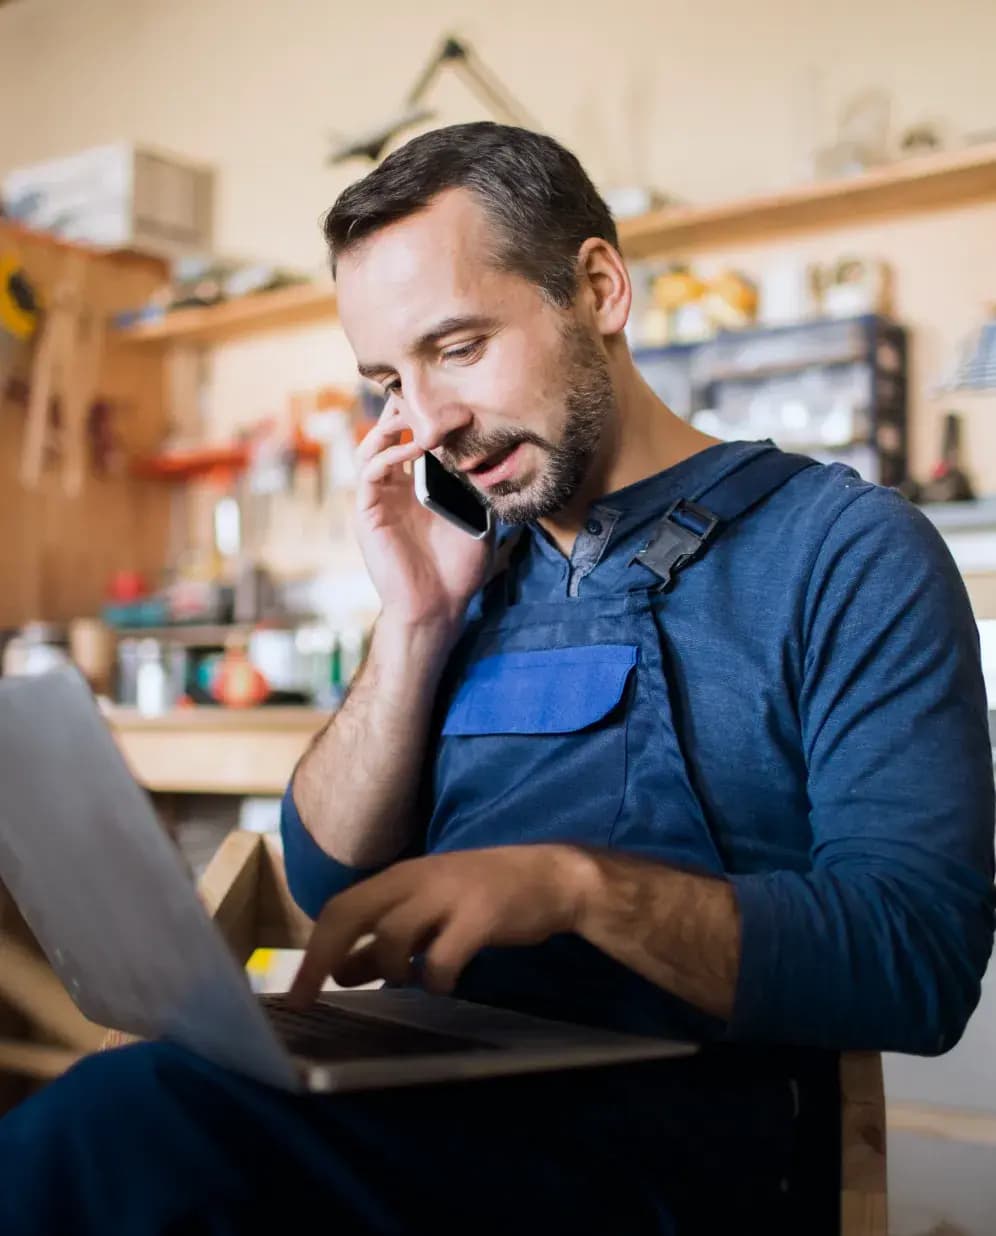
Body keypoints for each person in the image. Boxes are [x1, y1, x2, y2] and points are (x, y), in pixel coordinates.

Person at [1, 123, 993, 1236]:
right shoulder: (475, 572)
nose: (428, 424)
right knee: (112, 1132)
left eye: (458, 348)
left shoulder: (845, 552)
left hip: (681, 1145)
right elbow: (331, 882)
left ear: (601, 289)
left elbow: (919, 958)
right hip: (438, 1096)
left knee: (117, 1136)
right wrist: (417, 622)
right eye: (388, 380)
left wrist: (572, 886)